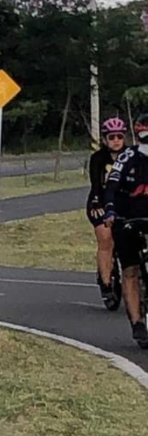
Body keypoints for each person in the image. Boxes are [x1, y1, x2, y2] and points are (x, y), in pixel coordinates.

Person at [103, 113, 148, 344]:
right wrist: (109, 210)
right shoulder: (127, 157)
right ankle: (137, 322)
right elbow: (110, 186)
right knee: (130, 269)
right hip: (127, 216)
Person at [88, 117, 127, 307]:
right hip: (101, 202)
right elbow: (96, 184)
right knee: (106, 238)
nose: (116, 140)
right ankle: (106, 283)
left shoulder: (131, 156)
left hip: (125, 203)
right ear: (105, 139)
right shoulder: (98, 158)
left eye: (120, 136)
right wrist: (97, 202)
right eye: (112, 137)